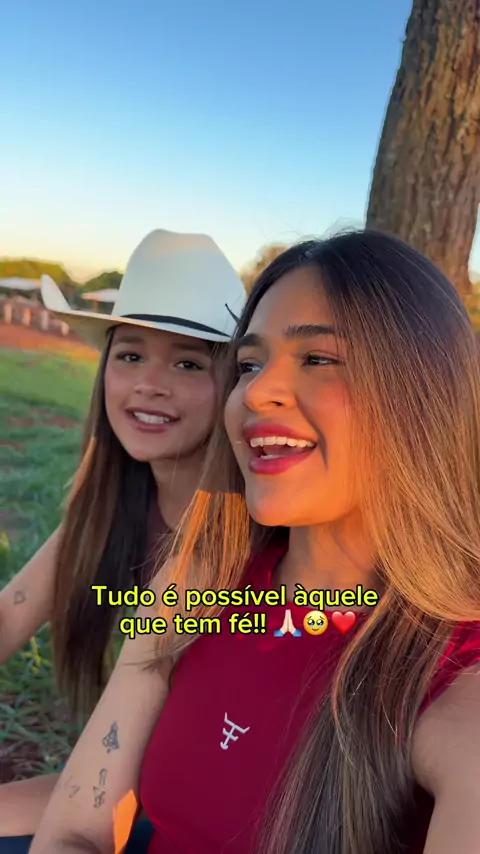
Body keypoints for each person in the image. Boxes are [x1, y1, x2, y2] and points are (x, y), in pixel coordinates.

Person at [29, 230, 480, 854]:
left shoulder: (454, 678)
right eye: (248, 365)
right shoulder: (196, 580)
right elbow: (78, 829)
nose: (256, 391)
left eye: (318, 358)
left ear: (424, 398)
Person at [0, 228, 245, 844]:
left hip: (209, 811)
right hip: (123, 783)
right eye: (130, 355)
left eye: (188, 363)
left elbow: (151, 781)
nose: (149, 383)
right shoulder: (110, 507)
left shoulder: (242, 540)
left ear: (232, 385)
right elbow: (11, 613)